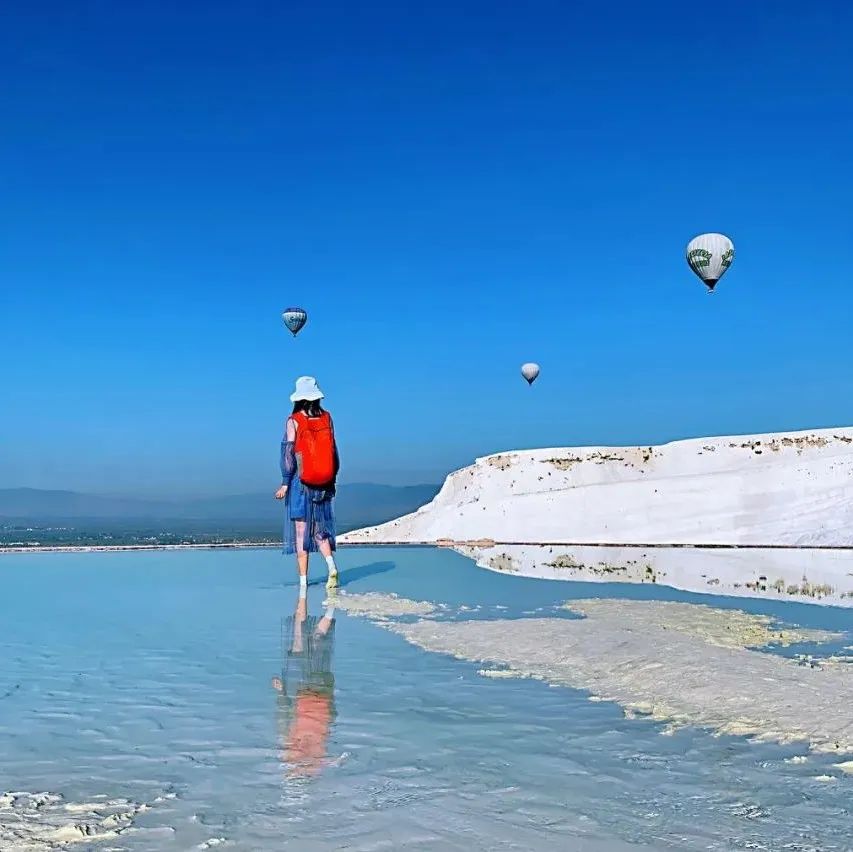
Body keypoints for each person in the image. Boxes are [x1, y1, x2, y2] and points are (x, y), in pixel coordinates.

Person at [275, 376, 340, 589]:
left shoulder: (294, 420)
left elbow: (288, 454)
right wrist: (332, 478)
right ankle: (331, 566)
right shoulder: (327, 417)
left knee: (301, 533)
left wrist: (285, 482)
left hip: (300, 483)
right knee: (320, 529)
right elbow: (333, 451)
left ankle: (303, 582)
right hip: (324, 482)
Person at [271, 586, 337, 778]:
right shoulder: (307, 759)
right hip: (311, 693)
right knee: (304, 638)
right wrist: (281, 692)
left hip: (318, 694)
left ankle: (327, 602)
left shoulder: (310, 760)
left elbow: (284, 718)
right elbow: (284, 719)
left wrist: (282, 693)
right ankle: (325, 600)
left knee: (309, 640)